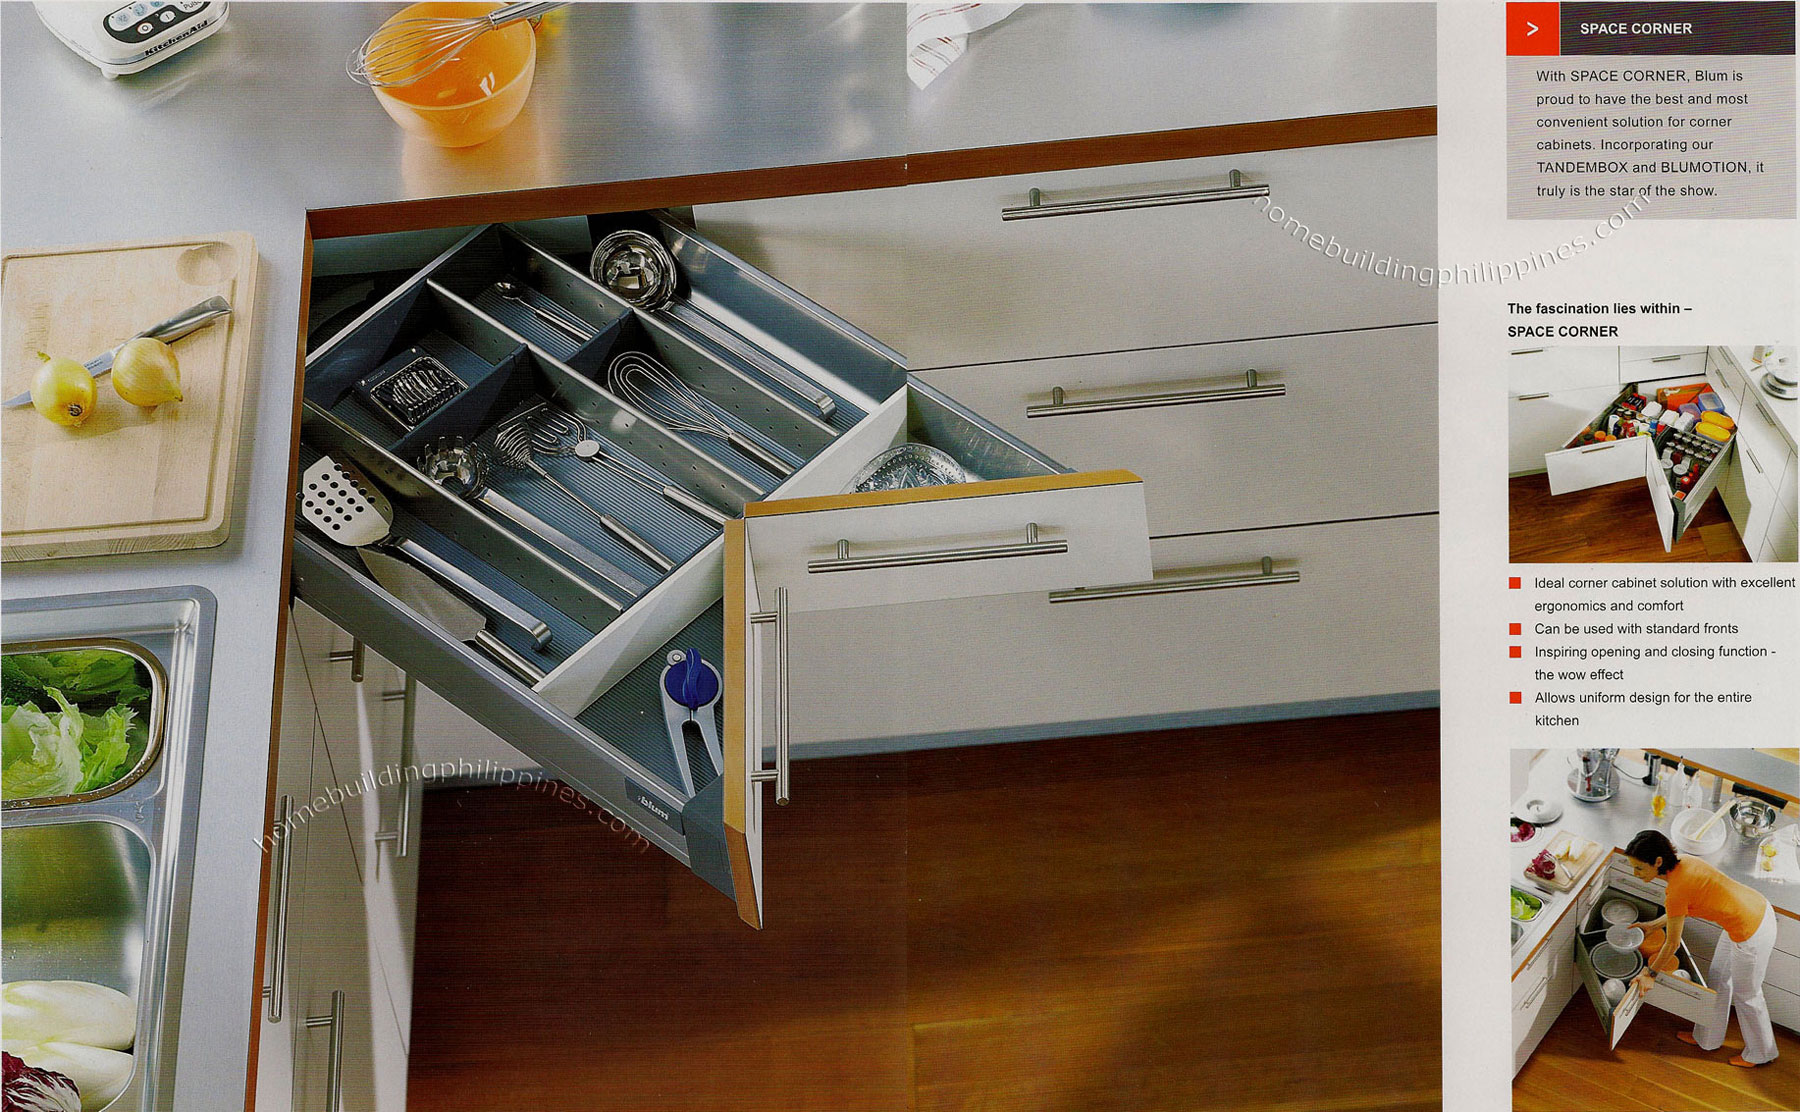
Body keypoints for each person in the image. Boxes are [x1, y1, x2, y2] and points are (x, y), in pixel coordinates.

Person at [1623, 829, 1779, 1068]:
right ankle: (1707, 1039)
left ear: (1658, 862)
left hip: (1752, 931)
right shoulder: (1684, 862)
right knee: (1718, 979)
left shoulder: (1676, 888)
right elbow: (1683, 909)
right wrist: (1651, 926)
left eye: (1640, 868)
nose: (1635, 874)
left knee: (1747, 995)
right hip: (1750, 911)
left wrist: (1649, 973)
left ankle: (1762, 1052)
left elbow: (1672, 942)